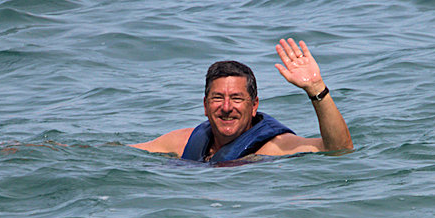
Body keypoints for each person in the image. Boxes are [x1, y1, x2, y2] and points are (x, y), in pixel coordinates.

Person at [130, 38, 353, 162]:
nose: (227, 107)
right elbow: (122, 154)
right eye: (218, 98)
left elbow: (339, 150)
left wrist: (317, 89)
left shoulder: (274, 147)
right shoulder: (182, 142)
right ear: (205, 106)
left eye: (237, 98)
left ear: (254, 105)